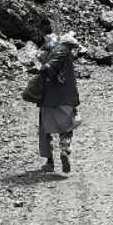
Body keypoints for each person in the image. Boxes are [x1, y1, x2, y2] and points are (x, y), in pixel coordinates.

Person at [38, 32, 80, 174]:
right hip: (66, 97)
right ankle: (65, 149)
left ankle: (49, 162)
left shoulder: (45, 55)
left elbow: (41, 72)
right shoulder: (67, 55)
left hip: (48, 98)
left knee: (45, 129)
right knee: (67, 125)